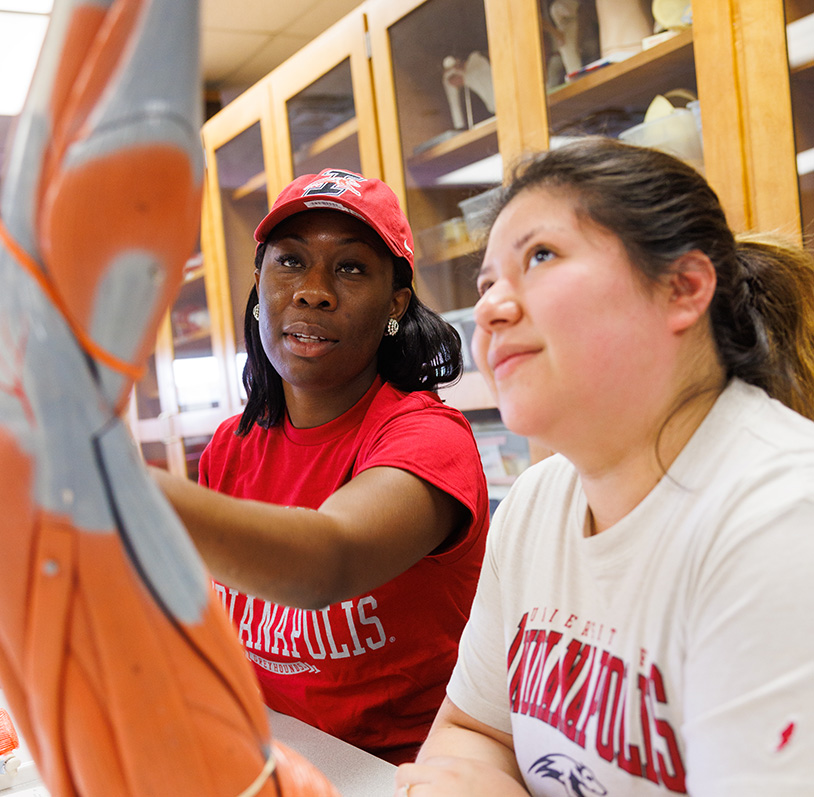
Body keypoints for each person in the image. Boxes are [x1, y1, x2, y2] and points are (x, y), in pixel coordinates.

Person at [395, 137, 814, 796]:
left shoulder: (781, 518)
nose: (489, 308)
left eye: (541, 256)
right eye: (486, 284)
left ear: (682, 288)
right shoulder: (536, 502)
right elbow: (474, 731)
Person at [151, 167, 489, 765]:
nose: (314, 290)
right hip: (274, 759)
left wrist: (116, 484)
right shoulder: (234, 445)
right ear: (258, 286)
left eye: (351, 267)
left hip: (402, 775)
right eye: (289, 261)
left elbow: (329, 560)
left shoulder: (428, 438)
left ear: (396, 303)